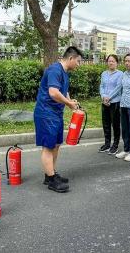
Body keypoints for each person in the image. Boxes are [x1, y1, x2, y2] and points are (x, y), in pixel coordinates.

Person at [34, 46, 83, 193]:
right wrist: (68, 103)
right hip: (46, 113)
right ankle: (51, 180)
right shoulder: (55, 70)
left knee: (55, 145)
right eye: (78, 61)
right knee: (48, 147)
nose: (79, 65)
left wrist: (70, 103)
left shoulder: (64, 72)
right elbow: (53, 92)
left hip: (55, 114)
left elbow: (63, 90)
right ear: (70, 58)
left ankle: (51, 174)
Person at [109, 53, 130, 162]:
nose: (127, 63)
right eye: (125, 61)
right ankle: (126, 149)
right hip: (123, 105)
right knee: (125, 129)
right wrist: (109, 97)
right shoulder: (124, 74)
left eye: (129, 61)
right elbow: (118, 88)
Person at [99, 54, 123, 155]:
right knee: (106, 124)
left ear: (117, 62)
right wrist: (103, 96)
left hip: (115, 102)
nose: (111, 63)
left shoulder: (120, 74)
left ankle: (115, 145)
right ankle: (107, 143)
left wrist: (109, 97)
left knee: (115, 124)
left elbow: (118, 88)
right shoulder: (104, 73)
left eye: (113, 61)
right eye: (109, 61)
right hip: (104, 102)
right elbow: (102, 86)